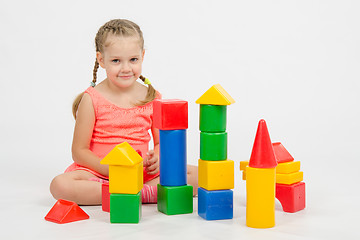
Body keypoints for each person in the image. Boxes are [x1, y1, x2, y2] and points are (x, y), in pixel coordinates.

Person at [50, 19, 198, 205]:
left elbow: (161, 142)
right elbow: (79, 151)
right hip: (100, 173)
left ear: (142, 56)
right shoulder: (91, 99)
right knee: (60, 185)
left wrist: (158, 156)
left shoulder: (152, 97)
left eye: (133, 59)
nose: (126, 68)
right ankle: (140, 193)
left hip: (142, 173)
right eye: (116, 61)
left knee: (200, 175)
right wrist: (109, 169)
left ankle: (132, 192)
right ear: (101, 60)